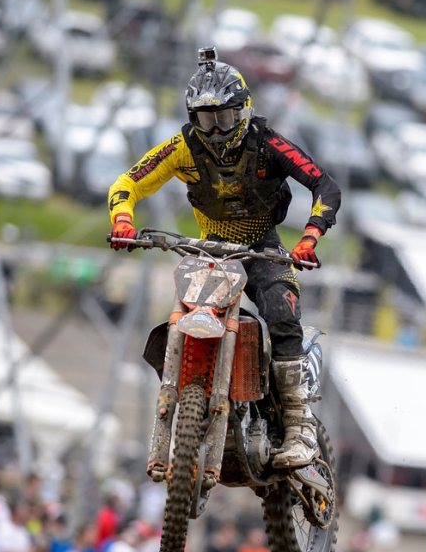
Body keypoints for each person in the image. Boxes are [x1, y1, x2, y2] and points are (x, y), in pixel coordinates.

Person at [107, 46, 341, 472]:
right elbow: (129, 182)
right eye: (206, 120)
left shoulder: (267, 143)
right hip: (209, 248)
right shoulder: (183, 147)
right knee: (183, 310)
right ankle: (189, 400)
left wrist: (310, 237)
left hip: (261, 246)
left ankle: (299, 426)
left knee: (281, 310)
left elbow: (324, 185)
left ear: (243, 111)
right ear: (192, 118)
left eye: (225, 118)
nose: (215, 130)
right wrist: (123, 220)